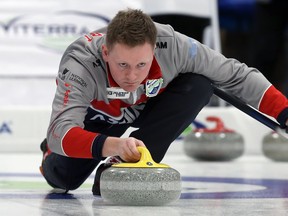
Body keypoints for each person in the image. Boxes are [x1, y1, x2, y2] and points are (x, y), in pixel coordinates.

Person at [40, 8, 288, 195]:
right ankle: (55, 160)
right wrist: (113, 144)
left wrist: (283, 111)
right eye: (122, 64)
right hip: (96, 120)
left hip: (145, 105)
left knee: (200, 84)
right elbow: (60, 133)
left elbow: (236, 74)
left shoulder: (174, 46)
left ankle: (125, 165)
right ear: (106, 52)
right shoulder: (80, 62)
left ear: (154, 51)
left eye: (141, 65)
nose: (132, 76)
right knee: (63, 180)